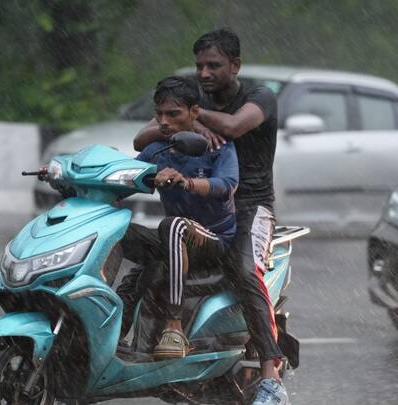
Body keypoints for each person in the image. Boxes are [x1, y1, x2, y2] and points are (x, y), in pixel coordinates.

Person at [133, 28, 287, 405]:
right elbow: (142, 140)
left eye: (214, 65)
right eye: (199, 65)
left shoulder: (259, 97)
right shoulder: (194, 102)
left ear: (235, 65)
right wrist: (190, 121)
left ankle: (270, 376)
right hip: (203, 208)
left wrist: (198, 118)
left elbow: (234, 127)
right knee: (139, 249)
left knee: (244, 269)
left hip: (250, 205)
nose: (204, 73)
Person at [120, 76, 239, 359]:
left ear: (193, 113)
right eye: (159, 114)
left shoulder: (218, 146)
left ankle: (175, 328)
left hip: (212, 239)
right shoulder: (158, 149)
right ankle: (104, 330)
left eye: (173, 114)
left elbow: (227, 185)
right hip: (172, 241)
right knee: (117, 228)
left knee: (172, 226)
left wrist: (186, 182)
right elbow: (126, 181)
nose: (163, 122)